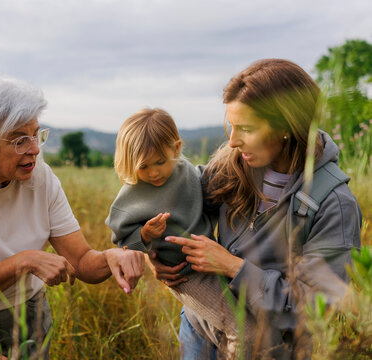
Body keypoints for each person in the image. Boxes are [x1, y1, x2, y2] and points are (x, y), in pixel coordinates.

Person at [149, 59, 362, 359]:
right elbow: (176, 206)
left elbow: (315, 309)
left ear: (288, 126)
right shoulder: (231, 165)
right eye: (231, 126)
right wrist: (154, 253)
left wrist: (232, 267)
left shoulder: (334, 204)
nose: (233, 141)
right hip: (200, 329)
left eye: (246, 128)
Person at [0, 76, 145, 358]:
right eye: (19, 140)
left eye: (36, 134)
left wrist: (111, 258)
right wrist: (22, 262)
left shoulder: (42, 179)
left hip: (29, 317)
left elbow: (80, 261)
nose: (35, 149)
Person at [106, 108, 213, 276]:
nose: (154, 173)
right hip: (181, 271)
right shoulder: (131, 195)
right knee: (225, 302)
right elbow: (123, 244)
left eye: (160, 162)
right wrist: (145, 234)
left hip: (212, 258)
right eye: (143, 166)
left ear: (176, 148)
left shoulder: (187, 172)